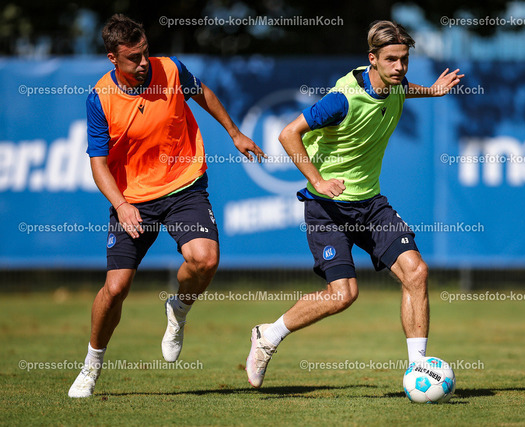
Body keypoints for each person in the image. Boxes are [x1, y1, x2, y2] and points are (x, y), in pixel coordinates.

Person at [245, 20, 463, 387]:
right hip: (328, 207)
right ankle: (268, 336)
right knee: (343, 295)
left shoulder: (395, 84)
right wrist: (318, 181)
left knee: (416, 272)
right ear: (372, 59)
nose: (399, 67)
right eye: (391, 60)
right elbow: (288, 134)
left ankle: (417, 368)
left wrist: (433, 91)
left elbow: (404, 88)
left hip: (370, 204)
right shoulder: (343, 98)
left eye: (404, 59)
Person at [69, 14, 264, 398]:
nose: (144, 63)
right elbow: (98, 164)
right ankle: (91, 365)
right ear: (113, 58)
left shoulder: (170, 70)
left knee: (205, 260)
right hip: (133, 199)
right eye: (133, 58)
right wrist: (121, 204)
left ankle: (179, 308)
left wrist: (235, 132)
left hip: (183, 185)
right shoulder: (100, 98)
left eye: (146, 53)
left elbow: (203, 93)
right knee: (116, 287)